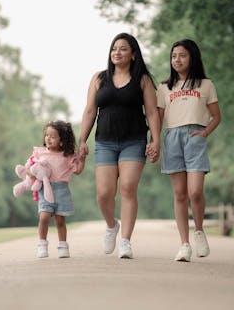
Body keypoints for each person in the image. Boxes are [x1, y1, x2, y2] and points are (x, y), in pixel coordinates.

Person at [78, 32, 160, 259]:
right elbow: (89, 111)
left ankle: (125, 241)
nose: (117, 52)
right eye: (114, 48)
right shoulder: (99, 79)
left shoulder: (142, 80)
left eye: (123, 49)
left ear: (133, 54)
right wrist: (82, 140)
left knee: (127, 188)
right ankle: (111, 224)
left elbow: (152, 112)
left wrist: (156, 139)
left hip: (134, 141)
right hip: (104, 141)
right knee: (104, 194)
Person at [156, 39, 221, 262]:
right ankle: (184, 245)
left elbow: (216, 116)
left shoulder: (206, 85)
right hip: (172, 138)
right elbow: (158, 117)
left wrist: (204, 133)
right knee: (180, 194)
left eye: (182, 55)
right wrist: (154, 141)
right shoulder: (165, 87)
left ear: (192, 57)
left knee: (195, 192)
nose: (177, 60)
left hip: (195, 137)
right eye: (174, 56)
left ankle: (199, 231)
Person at [21, 120, 85, 259]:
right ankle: (42, 245)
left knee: (60, 220)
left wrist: (82, 159)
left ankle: (63, 246)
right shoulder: (39, 153)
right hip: (45, 189)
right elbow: (28, 168)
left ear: (61, 141)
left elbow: (78, 170)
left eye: (53, 136)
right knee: (43, 217)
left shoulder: (67, 156)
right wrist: (33, 173)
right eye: (46, 135)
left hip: (61, 191)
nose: (48, 138)